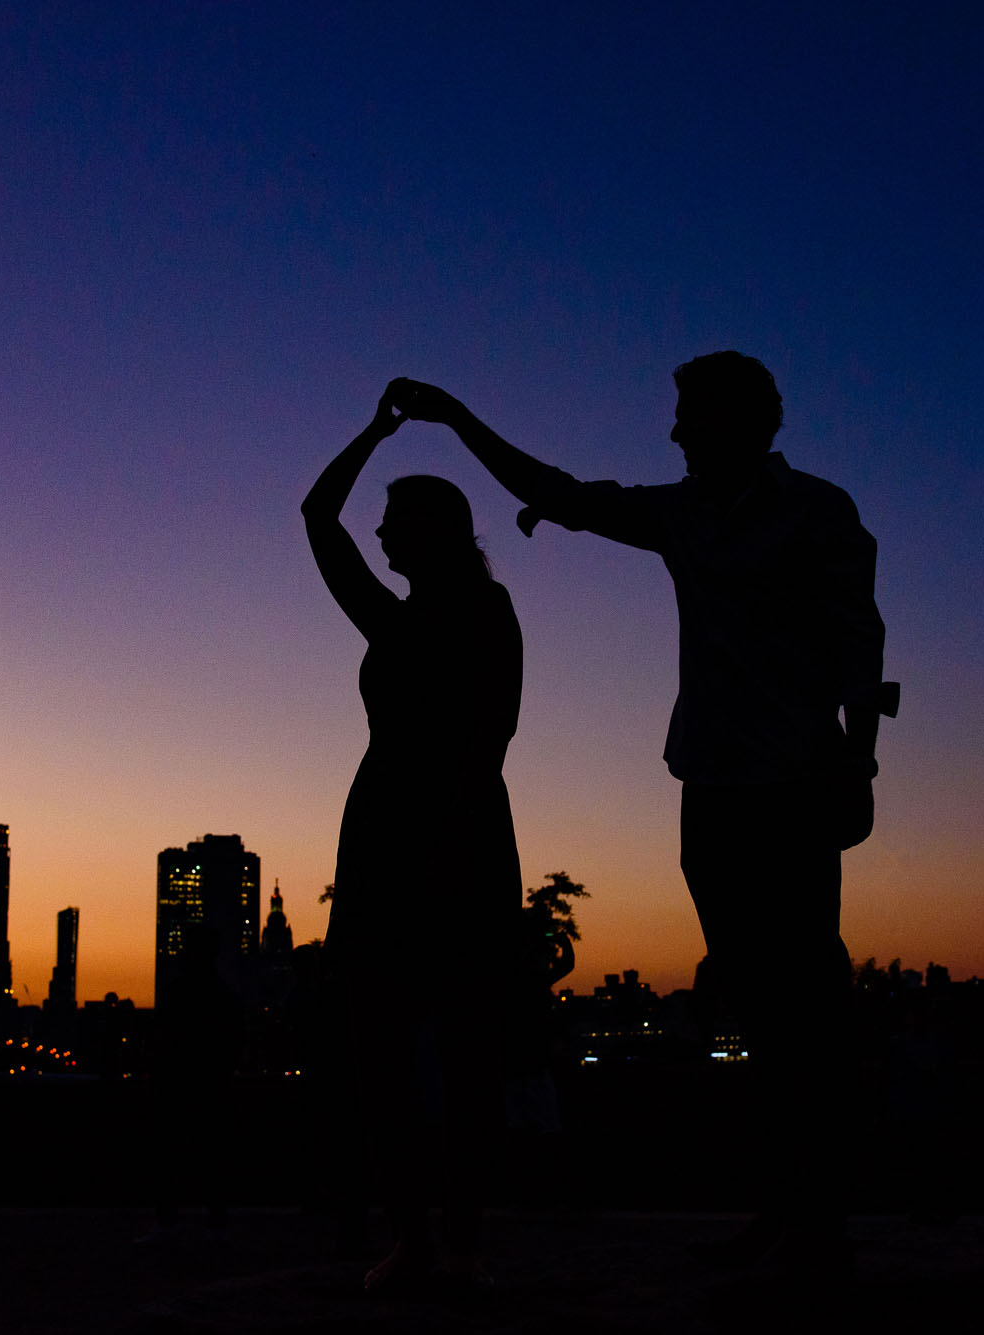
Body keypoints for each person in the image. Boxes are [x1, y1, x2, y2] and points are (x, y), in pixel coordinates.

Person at [389, 354, 889, 1268]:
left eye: (687, 417)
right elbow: (565, 495)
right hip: (712, 785)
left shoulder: (819, 512)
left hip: (795, 785)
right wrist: (458, 418)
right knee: (754, 999)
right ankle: (789, 1208)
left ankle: (818, 1220)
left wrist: (857, 766)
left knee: (805, 999)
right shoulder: (683, 514)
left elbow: (861, 642)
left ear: (741, 421)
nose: (673, 434)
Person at [301, 386, 524, 1292]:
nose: (381, 536)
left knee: (463, 1056)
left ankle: (459, 1242)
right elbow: (320, 515)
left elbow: (490, 738)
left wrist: (441, 846)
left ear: (432, 529)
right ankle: (419, 1237)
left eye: (394, 521)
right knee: (382, 1055)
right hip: (385, 841)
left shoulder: (481, 611)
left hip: (453, 842)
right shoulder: (393, 618)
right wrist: (373, 433)